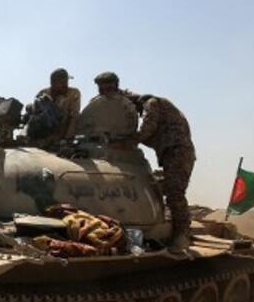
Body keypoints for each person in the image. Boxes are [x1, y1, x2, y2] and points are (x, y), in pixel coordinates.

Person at [126, 92, 195, 252]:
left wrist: (128, 140)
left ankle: (181, 236)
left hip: (177, 152)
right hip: (174, 152)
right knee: (168, 190)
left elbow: (147, 129)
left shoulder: (152, 103)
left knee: (174, 193)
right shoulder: (160, 105)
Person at [75, 72, 138, 144]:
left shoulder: (126, 102)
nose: (104, 90)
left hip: (120, 144)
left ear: (114, 85)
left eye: (107, 86)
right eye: (101, 87)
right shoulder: (95, 103)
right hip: (97, 143)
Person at [26, 68, 81, 149]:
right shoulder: (43, 93)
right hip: (42, 133)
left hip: (63, 133)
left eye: (66, 82)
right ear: (53, 82)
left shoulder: (73, 93)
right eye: (62, 82)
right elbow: (34, 112)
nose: (65, 85)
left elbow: (74, 116)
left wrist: (67, 138)